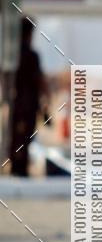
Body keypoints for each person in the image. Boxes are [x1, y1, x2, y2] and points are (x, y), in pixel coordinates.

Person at [9, 17, 49, 177]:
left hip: (15, 102)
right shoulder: (32, 56)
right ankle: (21, 168)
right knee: (26, 137)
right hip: (30, 104)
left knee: (15, 136)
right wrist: (46, 106)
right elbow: (41, 82)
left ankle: (15, 167)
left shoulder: (12, 56)